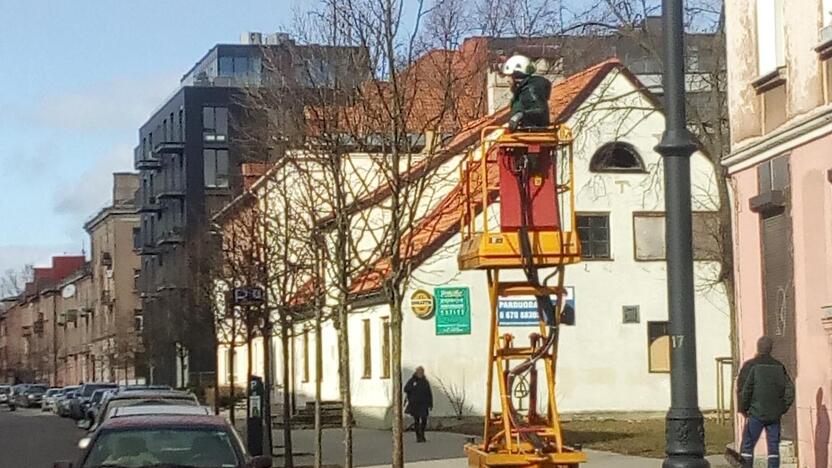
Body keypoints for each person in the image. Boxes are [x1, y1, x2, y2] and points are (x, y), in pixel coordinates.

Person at [737, 336, 795, 468]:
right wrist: (781, 408)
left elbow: (743, 390)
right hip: (774, 415)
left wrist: (744, 409)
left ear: (758, 348)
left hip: (755, 413)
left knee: (747, 446)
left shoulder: (750, 366)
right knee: (773, 448)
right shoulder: (779, 367)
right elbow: (790, 391)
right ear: (771, 349)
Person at [501, 54, 551, 131]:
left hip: (531, 135)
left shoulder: (529, 91)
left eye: (509, 76)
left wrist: (518, 116)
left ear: (517, 77)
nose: (507, 80)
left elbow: (540, 112)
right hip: (526, 133)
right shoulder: (522, 91)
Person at [404, 366, 433, 443]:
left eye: (422, 372)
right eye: (419, 372)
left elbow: (429, 393)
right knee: (416, 420)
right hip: (415, 404)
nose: (421, 373)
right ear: (416, 372)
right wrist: (413, 387)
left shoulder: (425, 381)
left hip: (424, 404)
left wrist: (430, 404)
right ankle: (418, 437)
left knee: (424, 420)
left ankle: (422, 434)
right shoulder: (412, 380)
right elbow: (406, 389)